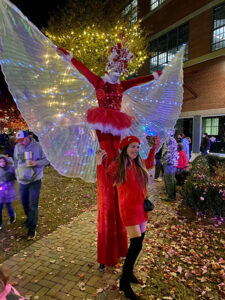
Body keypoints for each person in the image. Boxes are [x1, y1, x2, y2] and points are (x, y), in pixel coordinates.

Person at [56, 44, 162, 268]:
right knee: (107, 204)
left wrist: (156, 75)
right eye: (115, 67)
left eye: (121, 68)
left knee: (120, 200)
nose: (118, 72)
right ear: (108, 65)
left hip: (119, 153)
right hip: (105, 154)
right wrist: (71, 57)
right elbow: (83, 71)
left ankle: (121, 249)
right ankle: (106, 255)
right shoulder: (99, 82)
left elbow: (137, 81)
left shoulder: (122, 85)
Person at [96, 135, 159, 300]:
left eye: (138, 147)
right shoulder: (119, 165)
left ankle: (128, 273)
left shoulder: (138, 163)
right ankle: (124, 281)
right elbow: (106, 180)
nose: (136, 150)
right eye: (132, 147)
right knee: (136, 243)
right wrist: (98, 163)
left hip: (141, 208)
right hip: (129, 209)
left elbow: (150, 162)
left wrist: (153, 148)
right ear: (125, 148)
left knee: (140, 240)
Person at [14, 130, 49, 240]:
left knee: (32, 205)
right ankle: (30, 218)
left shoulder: (38, 147)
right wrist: (17, 172)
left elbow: (48, 160)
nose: (20, 143)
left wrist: (36, 163)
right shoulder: (17, 147)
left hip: (34, 181)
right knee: (24, 203)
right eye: (18, 140)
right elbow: (16, 161)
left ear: (28, 137)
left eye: (22, 140)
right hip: (22, 181)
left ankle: (31, 228)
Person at [0, 156, 16, 230]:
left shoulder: (10, 170)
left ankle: (12, 217)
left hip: (8, 193)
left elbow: (11, 182)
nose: (2, 163)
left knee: (8, 206)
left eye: (3, 162)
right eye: (0, 162)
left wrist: (3, 187)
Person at [162, 130, 178, 201]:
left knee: (169, 179)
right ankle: (172, 194)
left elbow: (167, 152)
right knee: (172, 179)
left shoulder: (169, 140)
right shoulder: (173, 139)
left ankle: (171, 196)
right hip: (172, 162)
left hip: (169, 163)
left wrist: (164, 161)